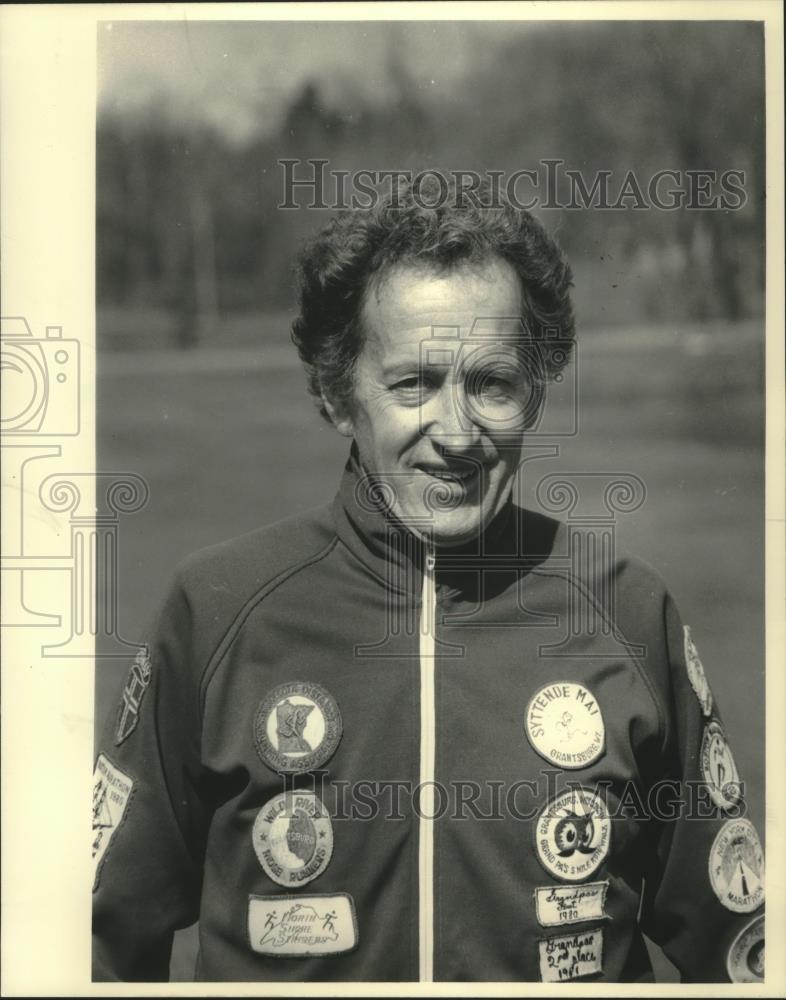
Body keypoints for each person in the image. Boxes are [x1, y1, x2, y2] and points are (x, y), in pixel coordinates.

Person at [92, 177, 764, 983]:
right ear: (340, 396)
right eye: (413, 383)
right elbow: (97, 939)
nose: (456, 433)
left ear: (536, 393)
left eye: (492, 383)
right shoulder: (218, 611)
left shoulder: (627, 610)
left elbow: (741, 952)